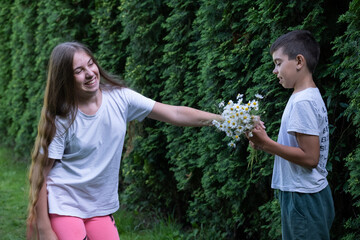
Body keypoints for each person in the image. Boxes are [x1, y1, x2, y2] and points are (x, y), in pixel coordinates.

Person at [27, 42, 223, 240]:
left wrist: (225, 120)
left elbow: (176, 113)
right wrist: (44, 228)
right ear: (65, 79)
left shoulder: (121, 98)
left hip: (99, 205)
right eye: (79, 70)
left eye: (91, 64)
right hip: (64, 202)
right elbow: (40, 172)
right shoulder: (62, 116)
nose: (90, 73)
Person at [247, 30, 335, 239]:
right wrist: (261, 141)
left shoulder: (302, 102)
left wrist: (266, 144)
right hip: (306, 195)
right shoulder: (305, 95)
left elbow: (310, 158)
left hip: (303, 198)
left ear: (298, 61)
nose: (274, 71)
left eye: (278, 63)